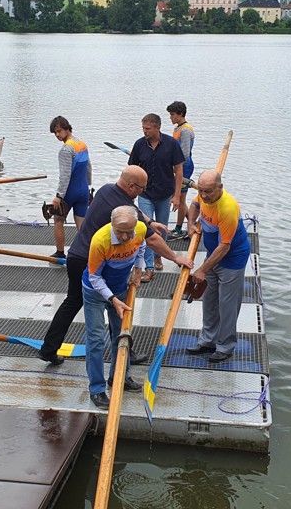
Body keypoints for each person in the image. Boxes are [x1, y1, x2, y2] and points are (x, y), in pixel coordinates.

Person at [38, 165, 192, 366]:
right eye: (142, 188)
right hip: (93, 261)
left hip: (76, 256)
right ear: (131, 186)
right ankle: (124, 352)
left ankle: (49, 349)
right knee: (116, 305)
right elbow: (152, 240)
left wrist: (150, 222)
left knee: (72, 302)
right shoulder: (123, 208)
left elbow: (134, 210)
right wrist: (175, 258)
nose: (143, 192)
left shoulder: (106, 190)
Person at [81, 206, 148, 409]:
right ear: (112, 225)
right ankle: (97, 389)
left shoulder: (141, 229)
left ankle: (119, 377)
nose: (125, 237)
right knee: (95, 339)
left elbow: (141, 246)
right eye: (120, 232)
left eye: (129, 232)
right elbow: (94, 277)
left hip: (120, 289)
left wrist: (138, 270)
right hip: (94, 292)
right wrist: (112, 299)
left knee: (122, 335)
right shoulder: (100, 241)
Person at [186, 170, 251, 363]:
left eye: (208, 191)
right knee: (209, 299)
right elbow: (195, 205)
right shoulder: (204, 195)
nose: (203, 195)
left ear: (220, 187)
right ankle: (208, 341)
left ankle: (225, 346)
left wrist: (202, 270)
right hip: (212, 254)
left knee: (227, 304)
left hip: (232, 258)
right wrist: (191, 224)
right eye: (201, 190)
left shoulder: (227, 208)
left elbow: (224, 247)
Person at [128, 113, 184, 281]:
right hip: (145, 194)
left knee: (162, 229)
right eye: (143, 128)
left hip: (165, 194)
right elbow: (131, 170)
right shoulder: (139, 145)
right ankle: (149, 266)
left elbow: (179, 170)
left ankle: (159, 255)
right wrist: (129, 193)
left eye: (147, 128)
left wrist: (177, 195)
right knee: (146, 229)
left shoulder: (171, 144)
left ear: (157, 127)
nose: (144, 131)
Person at [47, 116, 91, 259]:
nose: (57, 135)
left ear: (67, 128)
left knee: (58, 220)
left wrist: (59, 196)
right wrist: (88, 185)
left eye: (59, 131)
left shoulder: (66, 150)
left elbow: (65, 175)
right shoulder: (81, 144)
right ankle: (89, 255)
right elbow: (88, 167)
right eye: (55, 133)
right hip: (83, 190)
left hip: (70, 193)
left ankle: (60, 253)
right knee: (82, 226)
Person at [166, 101, 194, 241]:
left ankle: (178, 229)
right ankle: (192, 223)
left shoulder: (185, 131)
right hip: (177, 165)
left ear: (181, 114)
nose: (170, 117)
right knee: (180, 198)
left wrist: (174, 167)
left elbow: (185, 154)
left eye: (172, 115)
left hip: (184, 167)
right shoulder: (178, 128)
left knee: (181, 199)